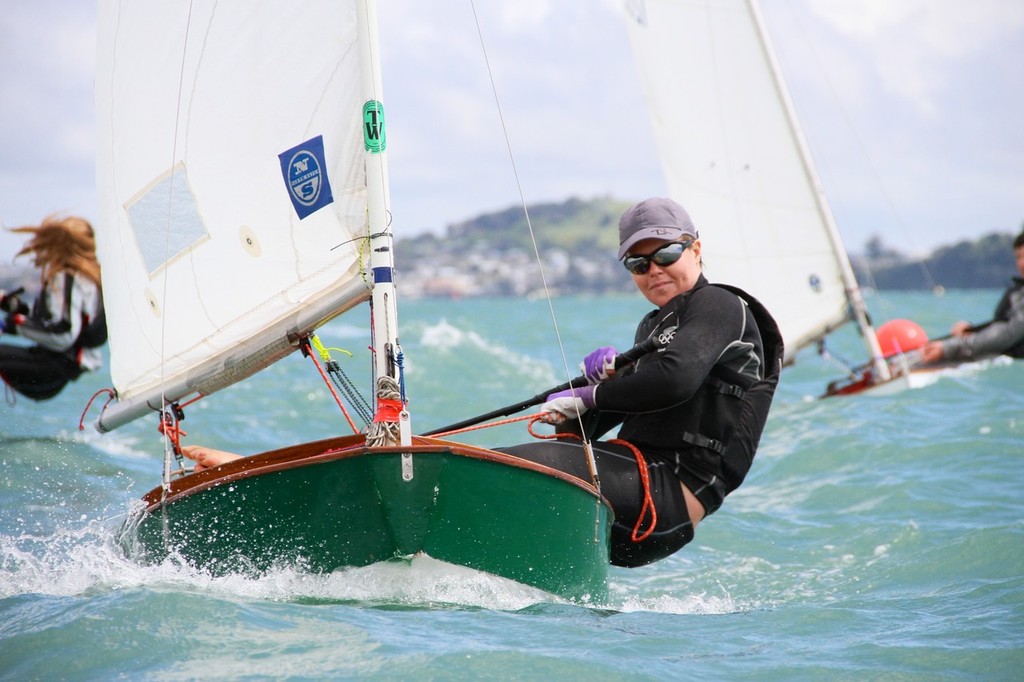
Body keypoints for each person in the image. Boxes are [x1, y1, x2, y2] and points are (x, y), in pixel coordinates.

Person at [497, 197, 784, 568]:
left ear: (695, 249)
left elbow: (675, 381)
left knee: (509, 470)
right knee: (510, 470)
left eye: (665, 254)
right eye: (638, 264)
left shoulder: (720, 304)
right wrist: (577, 402)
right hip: (631, 489)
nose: (654, 270)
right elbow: (582, 433)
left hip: (667, 498)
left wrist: (592, 394)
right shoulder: (654, 327)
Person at [0, 215, 106, 401]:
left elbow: (64, 333)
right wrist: (15, 307)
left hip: (51, 366)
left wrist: (13, 324)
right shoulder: (89, 278)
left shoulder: (67, 277)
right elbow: (53, 321)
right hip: (57, 371)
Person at [920, 229, 1024, 364]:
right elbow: (1005, 325)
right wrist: (972, 330)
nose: (1021, 263)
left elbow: (1008, 334)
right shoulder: (1018, 290)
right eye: (1018, 257)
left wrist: (948, 347)